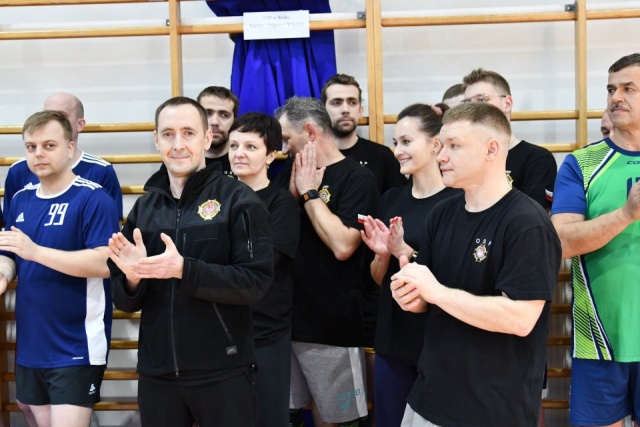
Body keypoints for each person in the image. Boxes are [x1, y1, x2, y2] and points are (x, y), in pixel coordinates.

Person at [391, 103, 561, 427]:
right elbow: (430, 299)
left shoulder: (527, 224)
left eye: (454, 146)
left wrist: (436, 292)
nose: (441, 156)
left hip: (491, 409)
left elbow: (520, 318)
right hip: (430, 395)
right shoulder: (441, 214)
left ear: (491, 150)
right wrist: (413, 296)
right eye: (441, 146)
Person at [108, 97, 273, 427]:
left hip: (223, 372)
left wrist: (184, 269)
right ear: (156, 140)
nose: (178, 144)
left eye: (188, 133)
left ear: (207, 139)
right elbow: (124, 300)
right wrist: (132, 277)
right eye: (168, 134)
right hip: (158, 375)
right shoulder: (145, 208)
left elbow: (254, 283)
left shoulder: (239, 200)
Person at [0, 110, 119, 427]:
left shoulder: (94, 198)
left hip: (75, 344)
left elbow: (105, 262)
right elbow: (9, 252)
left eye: (48, 145)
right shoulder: (21, 199)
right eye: (31, 147)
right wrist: (3, 272)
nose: (38, 154)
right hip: (31, 343)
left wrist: (36, 252)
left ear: (70, 147)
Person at [274, 96, 379, 427]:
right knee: (287, 415)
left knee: (340, 420)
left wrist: (309, 194)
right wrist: (291, 197)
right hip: (286, 323)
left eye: (287, 139)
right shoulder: (287, 175)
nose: (283, 148)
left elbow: (343, 245)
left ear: (309, 132)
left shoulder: (357, 178)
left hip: (332, 325)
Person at [551, 52, 640, 427]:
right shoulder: (582, 164)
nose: (616, 97)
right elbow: (561, 242)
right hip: (599, 342)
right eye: (611, 89)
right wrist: (626, 213)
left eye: (629, 88)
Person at [359, 103, 460, 427]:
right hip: (393, 340)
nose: (397, 151)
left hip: (439, 343)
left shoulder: (458, 201)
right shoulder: (391, 199)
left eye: (406, 141)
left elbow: (457, 276)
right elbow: (378, 278)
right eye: (395, 142)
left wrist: (406, 251)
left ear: (435, 144)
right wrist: (383, 254)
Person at [228, 112, 300, 427]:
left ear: (271, 155)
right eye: (234, 145)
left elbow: (261, 263)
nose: (239, 153)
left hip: (266, 331)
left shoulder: (281, 204)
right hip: (221, 329)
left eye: (250, 147)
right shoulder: (215, 199)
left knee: (269, 416)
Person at [3, 93, 123, 220]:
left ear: (80, 124)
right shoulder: (18, 171)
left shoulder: (101, 171)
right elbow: (10, 224)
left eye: (61, 116)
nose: (52, 121)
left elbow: (112, 223)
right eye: (47, 115)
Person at [461, 68, 557, 211]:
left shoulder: (536, 159)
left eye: (482, 99)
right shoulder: (462, 158)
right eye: (467, 103)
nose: (474, 108)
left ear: (507, 103)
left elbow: (530, 217)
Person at [197, 85, 238, 177]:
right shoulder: (183, 161)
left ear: (234, 121)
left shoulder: (243, 162)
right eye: (208, 113)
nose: (215, 122)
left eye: (224, 115)